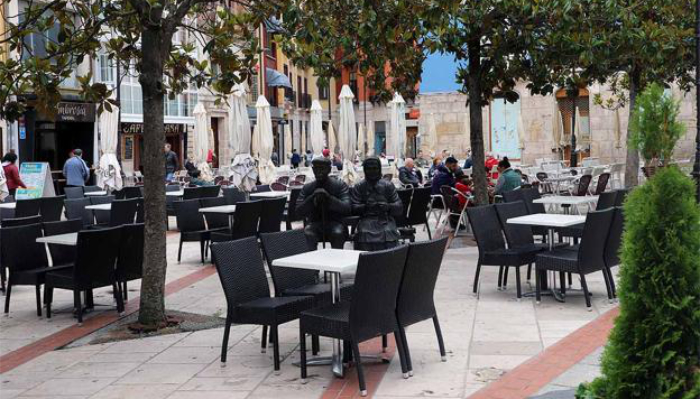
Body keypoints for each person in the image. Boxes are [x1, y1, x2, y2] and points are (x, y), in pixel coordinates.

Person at [296, 158, 351, 249]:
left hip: (336, 223)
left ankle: (337, 260)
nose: (319, 172)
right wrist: (312, 198)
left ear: (329, 169)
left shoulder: (340, 186)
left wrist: (329, 199)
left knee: (337, 233)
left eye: (322, 168)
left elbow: (347, 208)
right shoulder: (307, 188)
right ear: (313, 170)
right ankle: (311, 259)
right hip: (314, 224)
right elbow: (298, 212)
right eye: (316, 169)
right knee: (308, 234)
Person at [350, 157, 403, 251]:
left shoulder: (388, 185)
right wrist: (366, 207)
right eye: (369, 169)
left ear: (379, 169)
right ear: (364, 170)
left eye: (375, 168)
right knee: (364, 234)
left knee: (389, 233)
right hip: (367, 220)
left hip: (385, 219)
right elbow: (353, 207)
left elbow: (399, 206)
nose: (372, 171)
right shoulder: (359, 186)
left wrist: (388, 207)